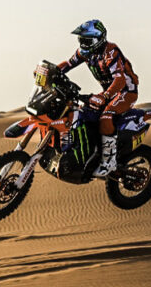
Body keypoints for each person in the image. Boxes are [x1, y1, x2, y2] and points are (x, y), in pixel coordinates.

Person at [57, 19, 139, 177]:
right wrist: (52, 71)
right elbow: (68, 64)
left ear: (99, 39)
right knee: (83, 115)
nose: (83, 44)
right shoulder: (85, 52)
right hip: (108, 92)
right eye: (81, 40)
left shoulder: (110, 52)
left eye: (87, 40)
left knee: (106, 117)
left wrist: (105, 95)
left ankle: (109, 162)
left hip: (125, 92)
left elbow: (119, 79)